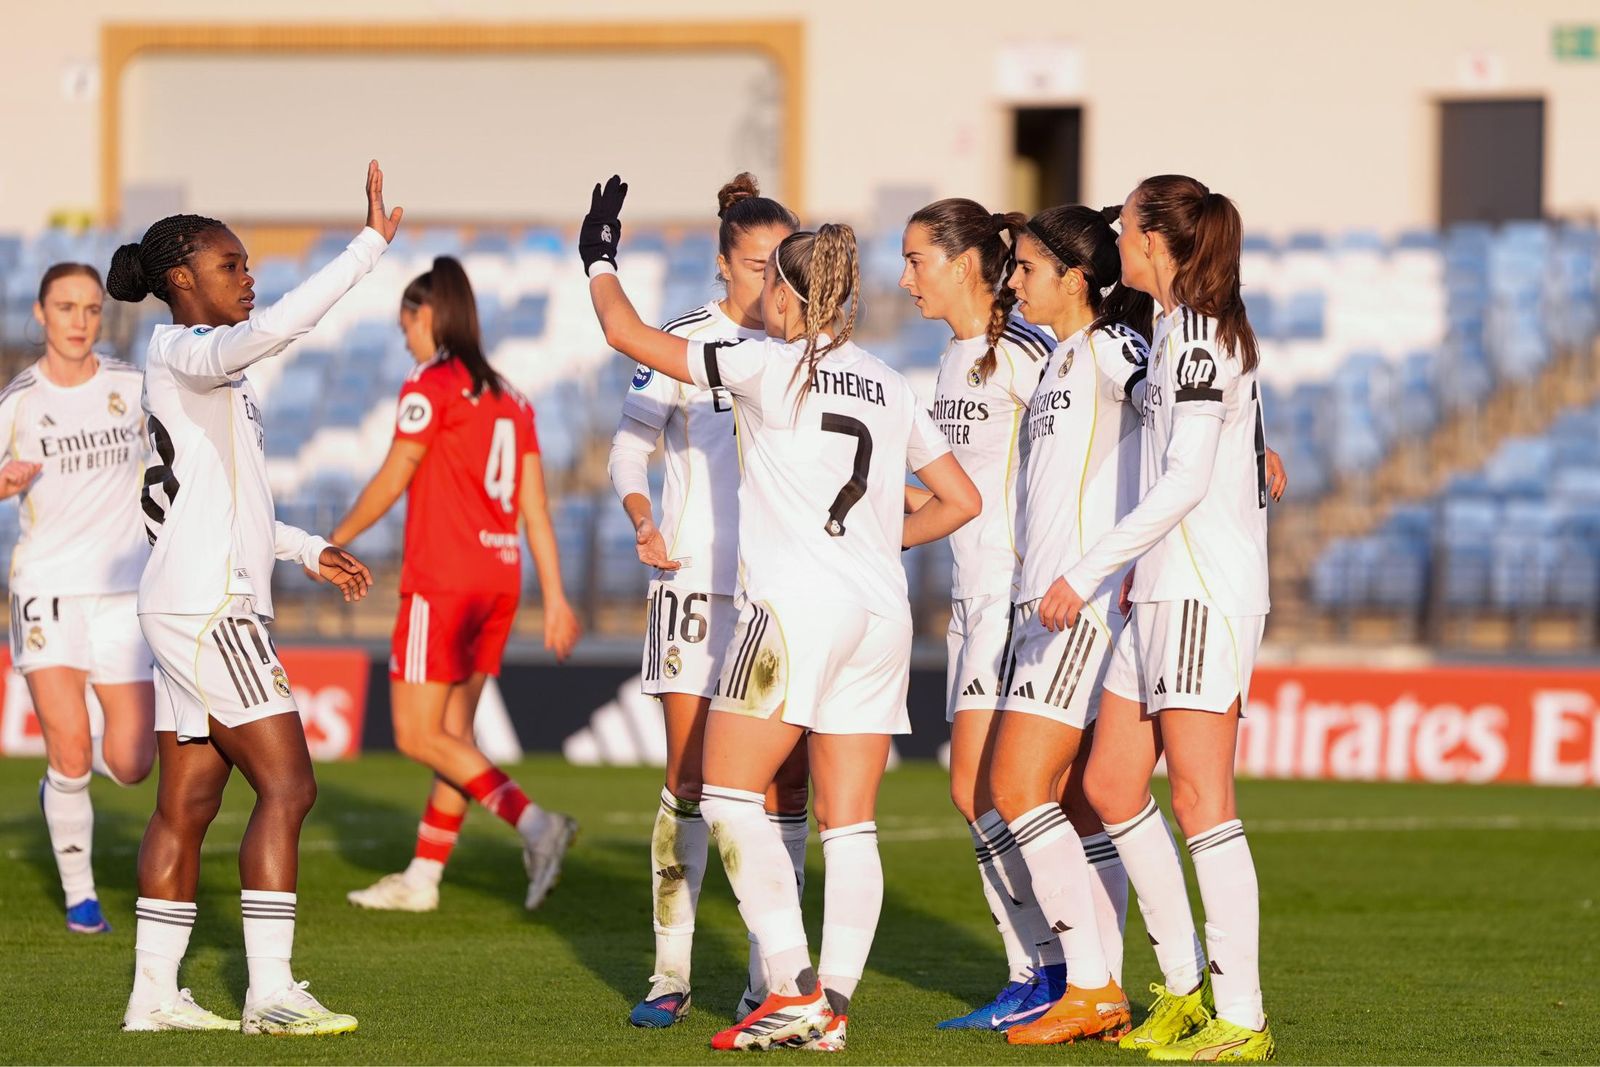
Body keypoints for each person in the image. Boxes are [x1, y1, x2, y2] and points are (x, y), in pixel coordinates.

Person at [581, 176, 980, 1052]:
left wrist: (598, 259)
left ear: (793, 297)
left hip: (794, 608)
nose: (761, 293)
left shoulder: (766, 363)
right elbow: (961, 499)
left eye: (774, 283)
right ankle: (831, 1006)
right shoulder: (888, 380)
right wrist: (875, 538)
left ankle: (793, 988)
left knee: (726, 793)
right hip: (879, 613)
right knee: (852, 820)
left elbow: (623, 333)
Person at [112, 161, 393, 1035]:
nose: (248, 276)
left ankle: (154, 997)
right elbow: (274, 329)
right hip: (211, 608)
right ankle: (269, 992)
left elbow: (232, 505)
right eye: (229, 265)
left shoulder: (211, 377)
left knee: (188, 803)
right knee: (290, 785)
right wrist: (367, 248)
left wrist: (308, 548)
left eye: (246, 264)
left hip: (184, 601)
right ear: (180, 280)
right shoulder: (183, 352)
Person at [1057, 175, 1279, 1062]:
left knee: (1201, 800)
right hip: (1155, 587)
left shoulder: (1196, 335)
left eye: (1124, 223)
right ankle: (1183, 987)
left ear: (1154, 240)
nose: (1116, 235)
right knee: (1113, 786)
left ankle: (1243, 1016)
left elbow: (1186, 478)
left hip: (1198, 590)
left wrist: (1085, 570)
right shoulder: (1181, 330)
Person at [605, 173, 811, 1028]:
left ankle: (772, 976)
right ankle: (670, 973)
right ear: (724, 263)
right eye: (759, 264)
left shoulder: (808, 349)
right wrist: (643, 517)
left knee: (784, 786)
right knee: (689, 778)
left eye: (785, 264)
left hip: (780, 589)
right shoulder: (685, 340)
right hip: (694, 584)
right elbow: (628, 448)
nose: (773, 280)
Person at [340, 255, 580, 913]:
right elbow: (535, 507)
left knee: (419, 735)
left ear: (427, 315)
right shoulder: (513, 397)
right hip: (499, 579)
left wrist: (334, 540)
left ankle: (536, 824)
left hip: (444, 580)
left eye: (406, 328)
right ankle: (423, 877)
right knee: (454, 736)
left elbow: (395, 474)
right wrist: (556, 596)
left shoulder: (431, 383)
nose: (406, 343)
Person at [981, 204, 1155, 1045]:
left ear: (1075, 278)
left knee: (1017, 787)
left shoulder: (1113, 345)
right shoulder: (1057, 357)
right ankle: (1103, 983)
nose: (1013, 281)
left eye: (1026, 267)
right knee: (1081, 805)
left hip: (1080, 602)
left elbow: (1180, 410)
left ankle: (1090, 983)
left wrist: (1252, 444)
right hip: (1043, 602)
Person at [896, 199, 1069, 1032]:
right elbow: (953, 493)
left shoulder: (1027, 352)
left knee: (987, 788)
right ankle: (1040, 968)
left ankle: (1054, 968)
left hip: (1013, 592)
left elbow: (1107, 422)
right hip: (971, 596)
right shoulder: (949, 360)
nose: (906, 279)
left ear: (965, 264)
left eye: (916, 260)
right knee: (979, 791)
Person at [0, 263, 153, 935]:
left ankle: (61, 787)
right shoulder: (19, 401)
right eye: (65, 307)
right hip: (48, 589)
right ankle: (80, 896)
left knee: (131, 764)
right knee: (69, 752)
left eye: (91, 308)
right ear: (41, 313)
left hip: (124, 594)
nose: (80, 321)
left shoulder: (131, 385)